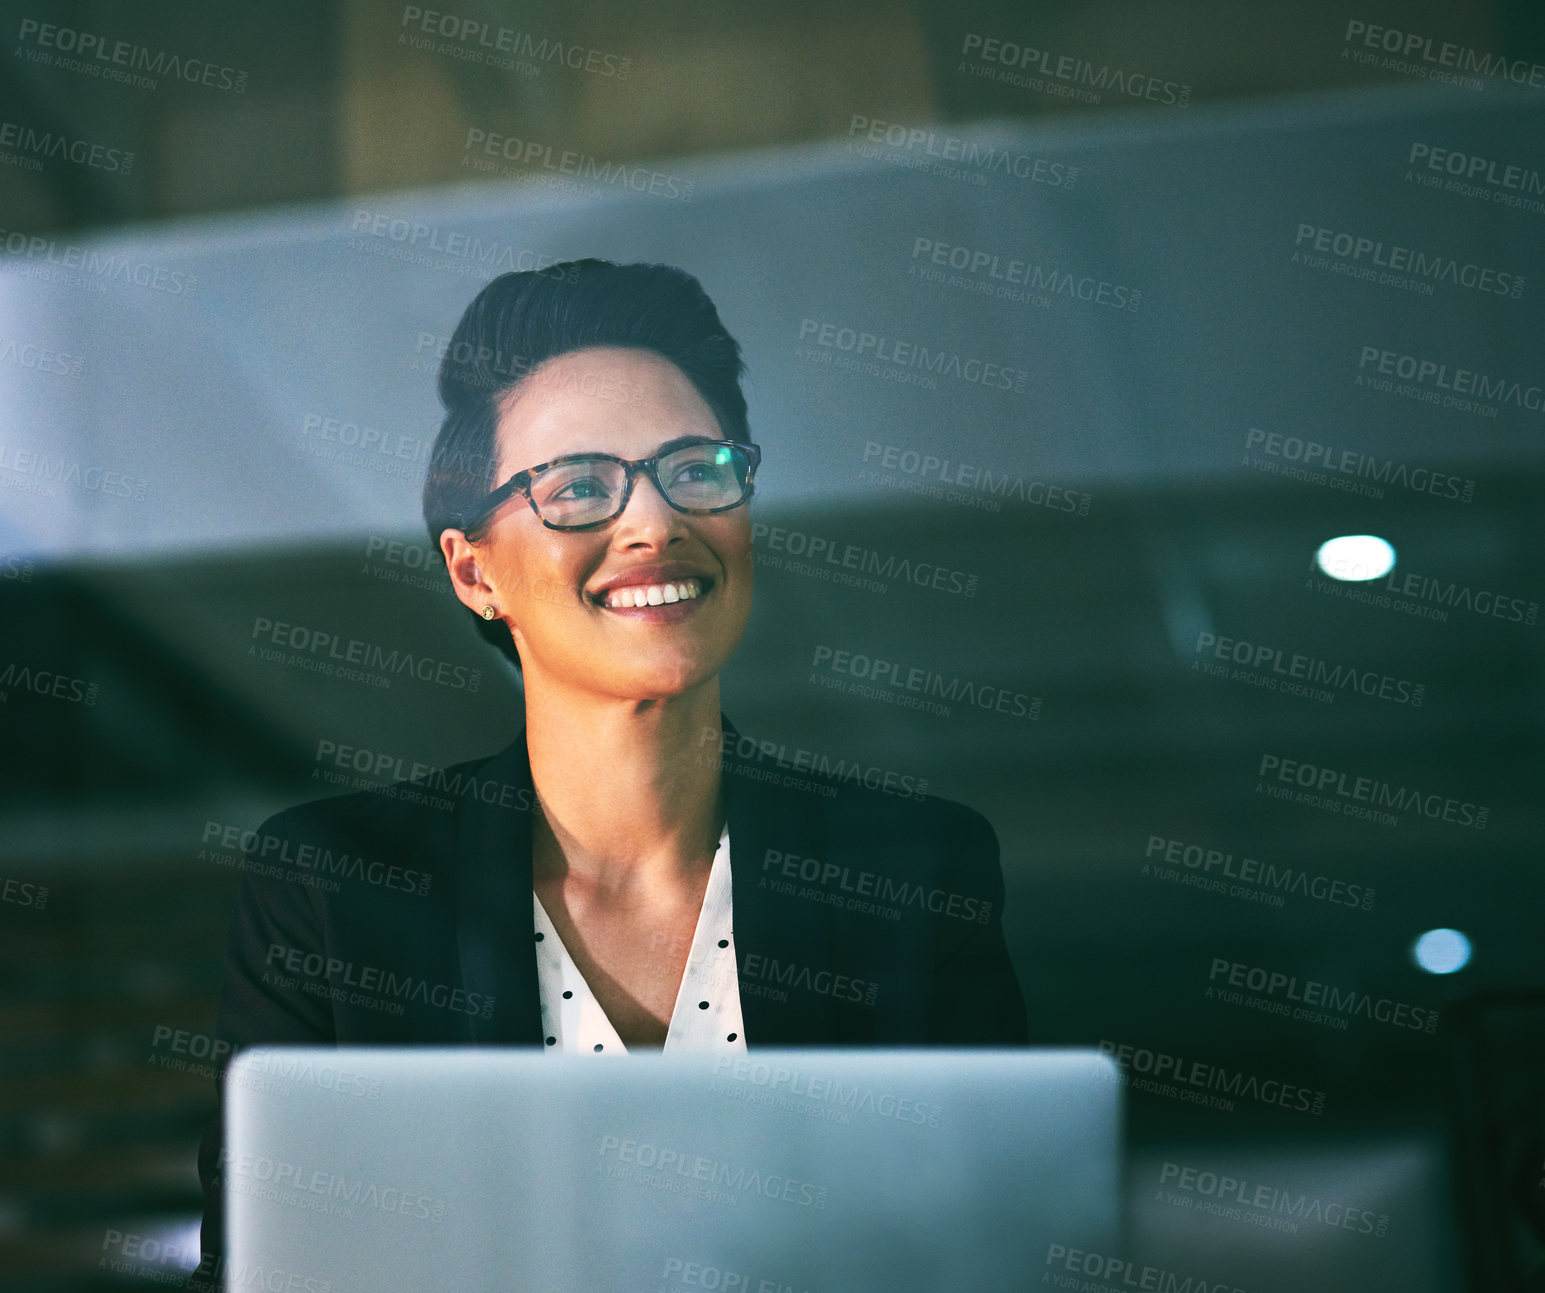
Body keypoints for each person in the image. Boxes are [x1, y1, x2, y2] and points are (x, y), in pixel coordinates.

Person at [190, 259, 1026, 1286]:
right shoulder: (336, 888)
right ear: (474, 571)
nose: (653, 523)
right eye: (580, 487)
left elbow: (994, 1258)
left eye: (696, 469)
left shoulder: (909, 869)